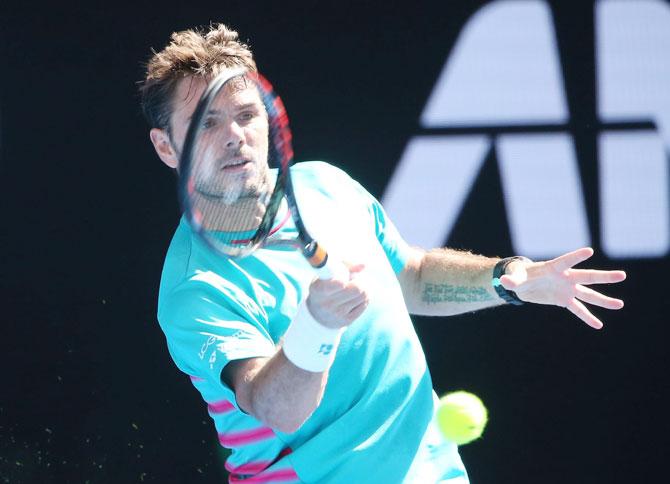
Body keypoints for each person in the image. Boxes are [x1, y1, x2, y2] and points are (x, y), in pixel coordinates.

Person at [139, 23, 626, 483]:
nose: (234, 135)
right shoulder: (195, 289)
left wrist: (504, 279)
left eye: (246, 114)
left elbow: (409, 275)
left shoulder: (326, 185)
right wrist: (316, 326)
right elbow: (275, 407)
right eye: (207, 122)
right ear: (166, 147)